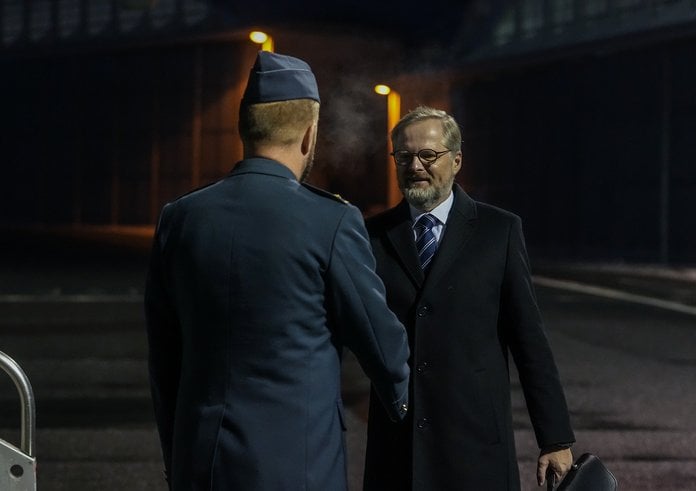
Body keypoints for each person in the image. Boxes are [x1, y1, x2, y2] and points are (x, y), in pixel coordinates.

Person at [144, 51, 410, 491]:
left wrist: (178, 452)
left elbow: (165, 358)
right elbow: (382, 347)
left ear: (244, 129)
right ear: (309, 135)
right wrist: (404, 401)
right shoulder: (331, 221)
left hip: (202, 462)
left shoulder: (180, 218)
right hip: (298, 465)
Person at [363, 106, 575, 491]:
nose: (415, 166)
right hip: (397, 447)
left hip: (476, 445)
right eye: (404, 156)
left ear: (457, 160)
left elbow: (529, 341)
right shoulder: (370, 236)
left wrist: (555, 438)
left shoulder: (499, 231)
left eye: (428, 155)